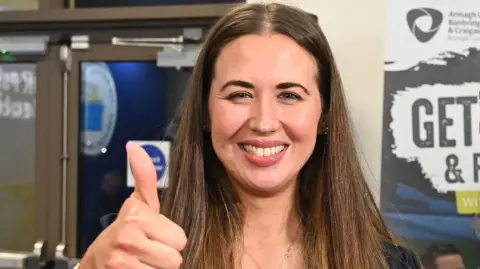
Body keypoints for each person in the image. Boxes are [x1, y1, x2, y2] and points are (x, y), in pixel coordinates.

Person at [76, 3, 421, 269]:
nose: (264, 121)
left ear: (324, 116)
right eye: (239, 94)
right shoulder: (140, 250)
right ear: (206, 111)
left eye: (290, 95)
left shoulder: (387, 263)